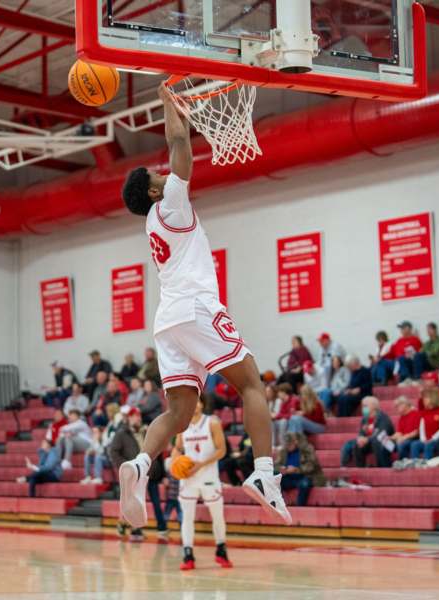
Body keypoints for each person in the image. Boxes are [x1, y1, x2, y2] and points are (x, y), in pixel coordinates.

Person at [118, 82, 291, 528]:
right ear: (153, 192)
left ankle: (140, 464)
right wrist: (168, 102)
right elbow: (180, 144)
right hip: (195, 308)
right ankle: (263, 473)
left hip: (167, 321)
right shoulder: (171, 207)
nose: (164, 175)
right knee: (251, 384)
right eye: (157, 177)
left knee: (177, 413)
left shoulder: (153, 225)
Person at [173, 397, 232, 570]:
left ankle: (221, 549)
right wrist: (175, 461)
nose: (194, 405)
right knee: (187, 517)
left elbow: (222, 450)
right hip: (188, 478)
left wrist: (201, 464)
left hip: (208, 476)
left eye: (197, 401)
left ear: (202, 404)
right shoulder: (182, 426)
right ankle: (188, 554)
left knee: (217, 515)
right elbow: (177, 448)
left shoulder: (212, 422)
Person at [109, 407, 167, 541]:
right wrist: (126, 466)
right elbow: (113, 452)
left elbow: (158, 453)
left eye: (139, 416)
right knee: (134, 502)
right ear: (129, 418)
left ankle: (161, 527)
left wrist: (163, 474)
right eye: (135, 416)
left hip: (150, 472)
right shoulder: (121, 433)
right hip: (133, 474)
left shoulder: (147, 431)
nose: (138, 418)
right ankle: (134, 529)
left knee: (155, 502)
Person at [339, 397, 395, 468]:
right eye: (362, 406)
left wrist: (367, 439)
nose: (363, 408)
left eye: (365, 406)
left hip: (385, 442)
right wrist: (360, 438)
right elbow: (361, 432)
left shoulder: (383, 418)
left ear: (374, 406)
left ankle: (383, 467)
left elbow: (381, 434)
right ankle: (359, 467)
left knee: (376, 441)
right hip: (370, 442)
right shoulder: (365, 419)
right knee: (355, 444)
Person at [276, 432, 324, 506]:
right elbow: (276, 465)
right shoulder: (283, 451)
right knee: (275, 482)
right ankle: (279, 506)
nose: (288, 447)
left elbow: (311, 466)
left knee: (304, 484)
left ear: (295, 442)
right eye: (287, 445)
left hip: (306, 476)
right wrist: (281, 469)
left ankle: (299, 507)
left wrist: (296, 470)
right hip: (289, 477)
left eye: (290, 445)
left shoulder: (307, 449)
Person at [410, 388, 439, 460]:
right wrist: (423, 439)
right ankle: (415, 462)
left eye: (427, 398)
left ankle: (427, 463)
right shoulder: (424, 412)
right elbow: (422, 427)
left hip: (437, 439)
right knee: (414, 444)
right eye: (424, 398)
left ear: (433, 398)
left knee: (428, 446)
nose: (424, 400)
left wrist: (433, 438)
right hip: (426, 440)